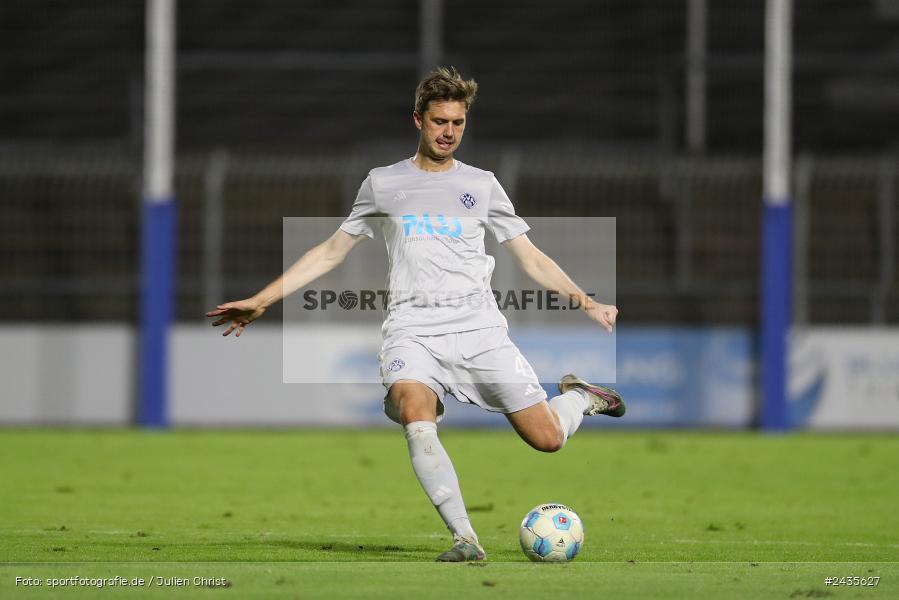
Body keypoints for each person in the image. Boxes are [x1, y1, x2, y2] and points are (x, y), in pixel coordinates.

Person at [206, 67, 625, 562]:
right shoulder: (383, 184)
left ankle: (578, 397)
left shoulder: (482, 185)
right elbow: (330, 251)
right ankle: (465, 539)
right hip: (412, 332)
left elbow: (530, 256)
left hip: (479, 332)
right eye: (439, 121)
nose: (448, 132)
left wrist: (587, 300)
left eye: (458, 123)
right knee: (413, 409)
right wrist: (263, 298)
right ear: (418, 120)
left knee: (548, 439)